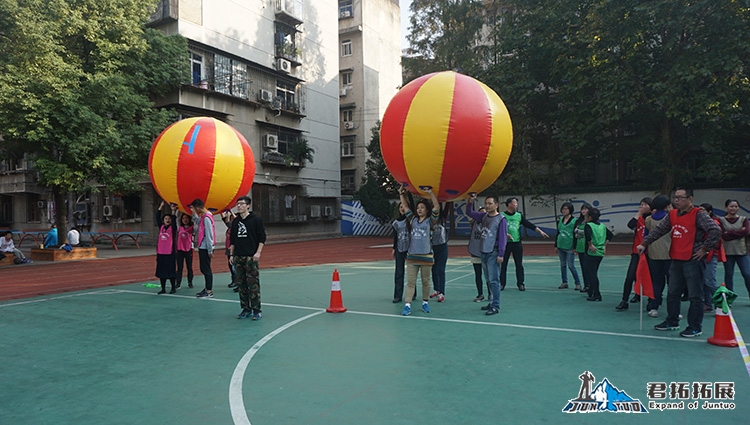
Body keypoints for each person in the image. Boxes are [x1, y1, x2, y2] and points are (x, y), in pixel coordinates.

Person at [637, 188, 721, 338]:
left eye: (681, 198)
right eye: (675, 197)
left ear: (690, 199)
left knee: (695, 295)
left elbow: (715, 230)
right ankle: (672, 321)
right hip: (676, 258)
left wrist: (704, 249)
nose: (677, 200)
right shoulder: (673, 215)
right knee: (673, 292)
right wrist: (644, 243)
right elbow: (659, 230)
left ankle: (695, 327)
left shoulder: (698, 214)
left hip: (693, 259)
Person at [399, 186, 440, 316]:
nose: (419, 209)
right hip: (412, 257)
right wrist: (401, 194)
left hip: (426, 257)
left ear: (427, 210)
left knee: (426, 281)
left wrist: (430, 193)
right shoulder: (413, 220)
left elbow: (437, 207)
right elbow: (405, 207)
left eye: (422, 207)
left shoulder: (430, 221)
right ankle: (407, 305)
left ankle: (425, 302)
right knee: (410, 282)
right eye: (418, 208)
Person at [466, 194, 508, 315]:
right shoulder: (483, 216)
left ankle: (495, 305)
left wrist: (501, 253)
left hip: (493, 252)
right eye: (486, 203)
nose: (487, 206)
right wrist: (470, 201)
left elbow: (503, 238)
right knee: (488, 279)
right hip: (483, 252)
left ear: (496, 205)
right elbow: (469, 212)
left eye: (490, 203)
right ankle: (492, 301)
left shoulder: (501, 219)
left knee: (494, 280)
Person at [229, 196, 266, 320]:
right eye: (237, 204)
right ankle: (245, 308)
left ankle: (256, 309)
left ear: (248, 206)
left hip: (250, 256)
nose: (239, 206)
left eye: (241, 204)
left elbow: (262, 238)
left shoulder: (255, 220)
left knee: (253, 284)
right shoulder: (235, 221)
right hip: (238, 256)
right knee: (241, 284)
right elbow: (232, 240)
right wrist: (231, 254)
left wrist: (258, 252)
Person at [500, 197, 549, 291]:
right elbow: (496, 228)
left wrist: (540, 232)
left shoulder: (519, 216)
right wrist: (504, 234)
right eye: (515, 203)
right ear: (509, 204)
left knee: (519, 264)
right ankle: (502, 284)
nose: (517, 205)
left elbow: (529, 225)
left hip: (517, 243)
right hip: (505, 244)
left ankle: (520, 283)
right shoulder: (501, 215)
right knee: (503, 265)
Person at [615, 198, 652, 310]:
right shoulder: (638, 218)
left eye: (645, 204)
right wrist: (638, 213)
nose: (642, 206)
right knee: (630, 276)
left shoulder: (653, 218)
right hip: (637, 252)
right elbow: (630, 225)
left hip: (650, 253)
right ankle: (624, 300)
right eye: (641, 204)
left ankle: (651, 301)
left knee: (650, 277)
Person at [643, 195, 672, 318]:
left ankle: (654, 307)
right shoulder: (671, 218)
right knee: (672, 283)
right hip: (669, 254)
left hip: (653, 254)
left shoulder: (649, 219)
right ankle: (673, 309)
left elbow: (646, 236)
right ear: (667, 206)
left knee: (656, 282)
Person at [718, 199, 750, 297]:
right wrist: (738, 232)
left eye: (736, 206)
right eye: (731, 206)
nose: (734, 208)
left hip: (742, 252)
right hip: (727, 253)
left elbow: (746, 232)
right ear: (726, 207)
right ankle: (729, 297)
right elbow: (722, 235)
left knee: (747, 274)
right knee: (729, 275)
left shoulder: (744, 219)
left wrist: (730, 233)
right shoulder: (721, 220)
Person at [583, 208, 614, 301]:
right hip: (600, 252)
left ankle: (596, 293)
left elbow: (588, 236)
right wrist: (605, 245)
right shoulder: (602, 226)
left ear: (590, 217)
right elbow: (610, 235)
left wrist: (590, 245)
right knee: (594, 272)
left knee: (592, 274)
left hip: (592, 252)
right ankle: (592, 291)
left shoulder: (588, 225)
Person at [700, 203, 725, 311]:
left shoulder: (714, 224)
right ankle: (708, 303)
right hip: (701, 255)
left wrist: (705, 248)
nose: (700, 212)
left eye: (703, 210)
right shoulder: (700, 223)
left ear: (709, 212)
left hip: (711, 254)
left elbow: (716, 241)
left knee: (709, 280)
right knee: (704, 281)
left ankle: (722, 301)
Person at [190, 199, 216, 299]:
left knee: (206, 269)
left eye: (195, 209)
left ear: (199, 207)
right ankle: (207, 288)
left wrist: (210, 249)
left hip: (206, 247)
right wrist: (193, 213)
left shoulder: (207, 218)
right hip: (202, 246)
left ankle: (209, 291)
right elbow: (197, 221)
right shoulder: (203, 217)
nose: (196, 211)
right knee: (203, 268)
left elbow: (209, 234)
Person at [554, 202, 581, 290]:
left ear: (570, 210)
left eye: (566, 209)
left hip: (570, 246)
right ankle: (564, 282)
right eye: (563, 209)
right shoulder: (560, 221)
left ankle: (578, 283)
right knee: (562, 265)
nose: (564, 210)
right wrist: (556, 245)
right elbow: (558, 233)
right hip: (561, 245)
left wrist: (574, 246)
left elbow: (576, 235)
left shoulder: (575, 221)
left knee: (571, 266)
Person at [467, 206, 491, 302]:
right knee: (478, 275)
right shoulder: (473, 223)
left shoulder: (490, 223)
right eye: (480, 213)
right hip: (475, 252)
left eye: (484, 213)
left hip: (487, 252)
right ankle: (480, 294)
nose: (482, 215)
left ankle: (490, 293)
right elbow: (468, 211)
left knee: (488, 275)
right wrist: (470, 200)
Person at [154, 202, 178, 294]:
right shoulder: (161, 227)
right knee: (161, 271)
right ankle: (163, 288)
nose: (167, 220)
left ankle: (173, 288)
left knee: (171, 271)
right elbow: (157, 217)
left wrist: (173, 211)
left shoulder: (172, 228)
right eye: (165, 218)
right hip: (161, 253)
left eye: (169, 219)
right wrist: (161, 207)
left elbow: (174, 221)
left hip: (170, 253)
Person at [429, 203, 450, 302]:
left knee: (441, 270)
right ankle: (436, 289)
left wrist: (449, 199)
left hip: (442, 247)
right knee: (433, 269)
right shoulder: (429, 219)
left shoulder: (443, 218)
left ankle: (442, 292)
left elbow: (447, 205)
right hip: (432, 247)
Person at [391, 203, 409, 303]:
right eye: (401, 207)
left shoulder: (411, 220)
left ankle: (412, 293)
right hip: (399, 249)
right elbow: (395, 237)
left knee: (411, 273)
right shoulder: (396, 223)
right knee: (399, 272)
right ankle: (397, 296)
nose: (402, 209)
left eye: (404, 206)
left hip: (410, 249)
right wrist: (394, 248)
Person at [574, 203, 592, 293]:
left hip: (588, 248)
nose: (584, 211)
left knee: (588, 268)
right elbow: (575, 235)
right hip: (580, 247)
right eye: (582, 209)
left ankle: (590, 285)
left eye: (586, 209)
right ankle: (586, 285)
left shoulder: (591, 222)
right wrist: (574, 247)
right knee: (583, 268)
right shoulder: (579, 221)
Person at [175, 212, 195, 289]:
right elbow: (176, 217)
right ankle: (178, 283)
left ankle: (190, 282)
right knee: (179, 267)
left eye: (186, 218)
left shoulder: (192, 228)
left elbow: (197, 222)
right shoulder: (179, 227)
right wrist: (178, 209)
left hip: (188, 249)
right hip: (180, 249)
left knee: (189, 267)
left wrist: (192, 211)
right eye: (183, 218)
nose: (185, 219)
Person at [222, 210, 238, 292]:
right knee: (230, 264)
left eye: (233, 219)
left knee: (234, 265)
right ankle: (234, 280)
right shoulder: (230, 227)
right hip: (228, 248)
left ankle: (237, 281)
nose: (231, 220)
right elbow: (225, 220)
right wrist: (224, 212)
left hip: (233, 248)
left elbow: (235, 220)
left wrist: (231, 210)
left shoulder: (236, 227)